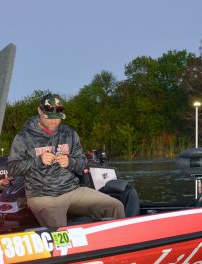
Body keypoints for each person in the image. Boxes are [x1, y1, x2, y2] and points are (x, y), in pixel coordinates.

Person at [7, 93, 125, 229]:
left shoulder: (69, 133)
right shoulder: (23, 137)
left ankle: (115, 246)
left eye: (58, 117)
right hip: (42, 196)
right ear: (39, 111)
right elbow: (12, 168)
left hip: (72, 190)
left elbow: (83, 163)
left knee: (115, 206)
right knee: (59, 231)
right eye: (49, 117)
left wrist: (70, 162)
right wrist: (38, 161)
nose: (54, 121)